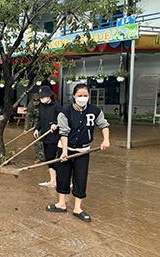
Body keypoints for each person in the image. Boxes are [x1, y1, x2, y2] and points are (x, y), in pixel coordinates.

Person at [46, 84, 110, 222]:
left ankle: (77, 208)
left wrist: (106, 140)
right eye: (80, 95)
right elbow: (63, 133)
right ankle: (61, 204)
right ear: (74, 96)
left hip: (83, 150)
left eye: (85, 95)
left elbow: (104, 125)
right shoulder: (65, 111)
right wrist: (64, 152)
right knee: (63, 176)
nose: (82, 98)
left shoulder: (95, 111)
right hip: (66, 149)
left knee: (80, 178)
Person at [34, 86, 62, 188]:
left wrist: (56, 124)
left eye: (44, 97)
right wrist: (37, 129)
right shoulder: (41, 106)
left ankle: (61, 180)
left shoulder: (57, 106)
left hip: (55, 137)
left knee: (53, 158)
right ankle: (52, 180)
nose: (42, 99)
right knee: (48, 158)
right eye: (41, 97)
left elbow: (63, 118)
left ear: (49, 96)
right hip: (45, 136)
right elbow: (40, 119)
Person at [24, 92, 45, 163]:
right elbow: (28, 117)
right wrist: (26, 128)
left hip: (47, 123)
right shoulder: (31, 105)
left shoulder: (44, 103)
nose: (36, 103)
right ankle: (40, 157)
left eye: (37, 100)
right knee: (37, 140)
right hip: (37, 125)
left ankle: (49, 156)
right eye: (34, 101)